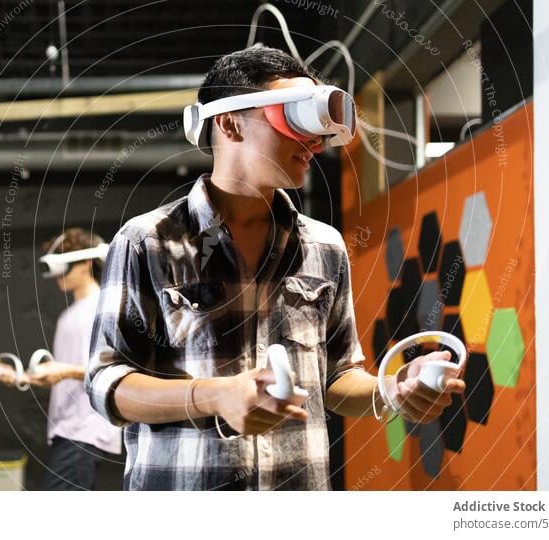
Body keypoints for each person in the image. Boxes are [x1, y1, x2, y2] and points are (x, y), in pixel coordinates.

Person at [85, 46, 466, 490]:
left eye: (319, 127)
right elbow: (107, 381)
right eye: (295, 119)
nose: (315, 142)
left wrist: (392, 388)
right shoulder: (148, 242)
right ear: (229, 123)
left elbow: (336, 377)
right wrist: (213, 396)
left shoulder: (324, 247)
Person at [0, 228, 123, 490]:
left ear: (86, 263)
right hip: (66, 430)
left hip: (87, 430)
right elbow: (66, 374)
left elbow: (114, 370)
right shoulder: (68, 316)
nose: (56, 275)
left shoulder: (104, 308)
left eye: (63, 265)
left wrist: (64, 370)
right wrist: (21, 377)